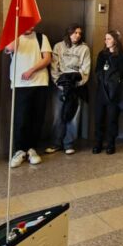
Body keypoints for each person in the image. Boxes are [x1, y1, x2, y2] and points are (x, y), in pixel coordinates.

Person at [6, 25, 52, 168]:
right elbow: (10, 48)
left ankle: (32, 149)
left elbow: (47, 58)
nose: (30, 26)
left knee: (37, 118)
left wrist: (32, 70)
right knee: (21, 119)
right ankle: (20, 151)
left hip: (40, 82)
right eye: (27, 23)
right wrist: (17, 32)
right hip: (20, 84)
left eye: (32, 23)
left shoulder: (41, 37)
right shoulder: (14, 36)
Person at [47, 24, 90, 155]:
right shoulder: (58, 46)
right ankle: (56, 143)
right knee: (58, 115)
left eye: (79, 33)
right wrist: (59, 83)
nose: (77, 35)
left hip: (76, 87)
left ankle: (69, 143)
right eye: (75, 32)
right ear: (69, 33)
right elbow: (54, 67)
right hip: (60, 86)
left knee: (73, 116)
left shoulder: (84, 48)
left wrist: (76, 84)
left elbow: (85, 70)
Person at [92, 31, 123, 155]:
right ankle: (98, 143)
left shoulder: (121, 55)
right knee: (99, 118)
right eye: (105, 38)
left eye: (109, 38)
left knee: (112, 119)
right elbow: (97, 70)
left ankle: (111, 144)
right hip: (102, 90)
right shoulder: (102, 54)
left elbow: (122, 73)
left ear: (115, 40)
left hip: (114, 91)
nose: (106, 41)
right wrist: (103, 79)